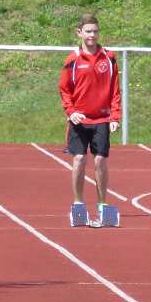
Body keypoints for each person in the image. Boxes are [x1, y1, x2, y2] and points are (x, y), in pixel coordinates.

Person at [58, 14, 121, 221]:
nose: (92, 35)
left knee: (100, 160)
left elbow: (115, 90)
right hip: (79, 120)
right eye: (88, 31)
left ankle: (102, 204)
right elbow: (64, 89)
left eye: (95, 31)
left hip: (101, 119)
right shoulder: (73, 59)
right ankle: (78, 204)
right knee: (79, 159)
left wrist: (115, 116)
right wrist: (71, 111)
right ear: (80, 33)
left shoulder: (109, 58)